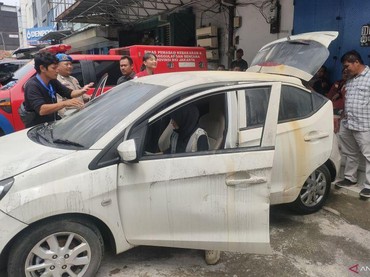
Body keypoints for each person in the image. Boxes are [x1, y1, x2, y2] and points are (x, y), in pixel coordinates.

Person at [20, 52, 93, 128]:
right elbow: (42, 110)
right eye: (54, 68)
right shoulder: (32, 85)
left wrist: (82, 91)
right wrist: (65, 103)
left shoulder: (52, 81)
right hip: (37, 128)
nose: (57, 70)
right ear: (42, 68)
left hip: (51, 124)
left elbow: (69, 93)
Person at [335, 50, 370, 198]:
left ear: (356, 62)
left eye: (347, 65)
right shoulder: (350, 79)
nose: (345, 69)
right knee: (350, 152)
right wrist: (341, 118)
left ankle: (369, 186)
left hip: (364, 124)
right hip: (348, 122)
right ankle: (350, 178)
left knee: (368, 155)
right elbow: (348, 101)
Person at [56, 53, 91, 117]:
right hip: (71, 115)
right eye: (66, 64)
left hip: (80, 113)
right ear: (57, 66)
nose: (70, 66)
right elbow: (59, 104)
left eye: (70, 64)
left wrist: (90, 97)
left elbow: (81, 95)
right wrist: (65, 118)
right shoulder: (56, 81)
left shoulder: (73, 79)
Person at [326, 69, 347, 133]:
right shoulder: (337, 83)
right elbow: (330, 95)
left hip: (343, 110)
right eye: (344, 73)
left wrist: (339, 93)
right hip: (333, 108)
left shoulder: (352, 85)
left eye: (347, 73)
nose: (345, 74)